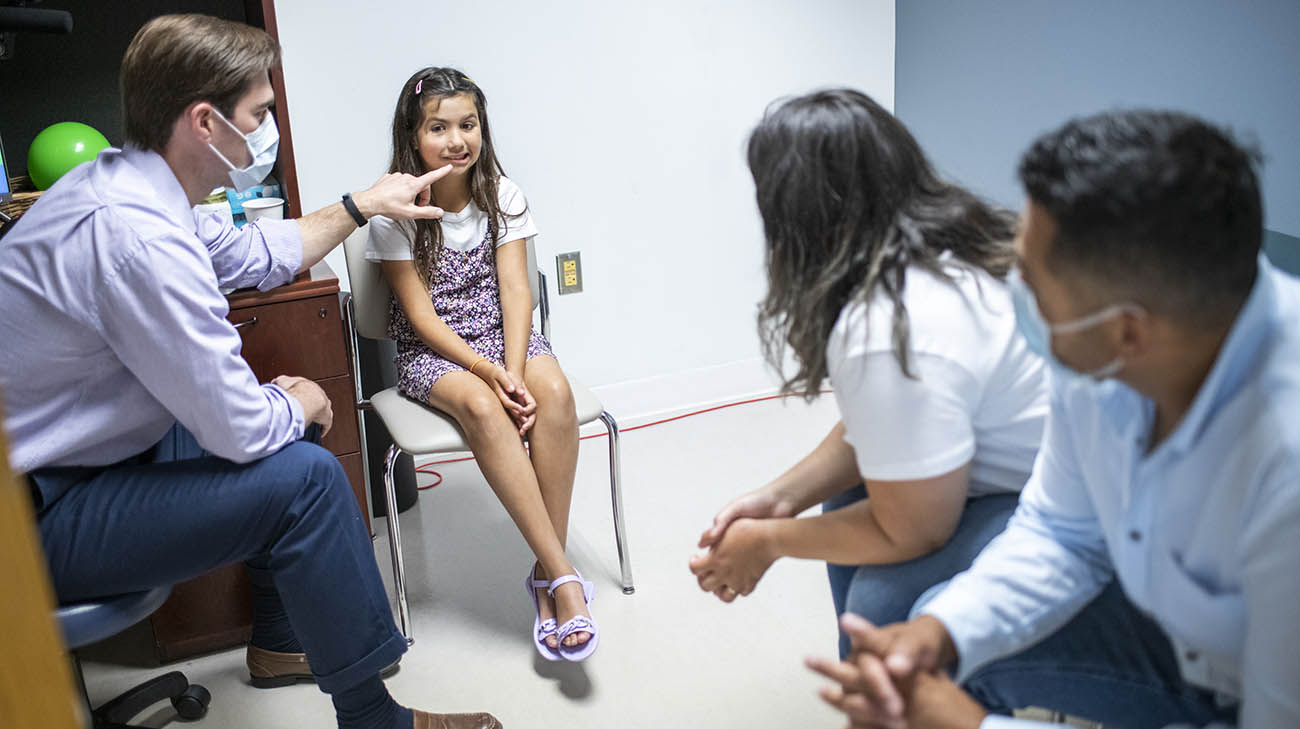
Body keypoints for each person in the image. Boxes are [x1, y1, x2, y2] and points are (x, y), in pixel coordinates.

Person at [0, 15, 501, 729]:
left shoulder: (128, 188)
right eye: (259, 113)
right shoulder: (139, 238)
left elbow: (258, 251)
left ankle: (281, 642)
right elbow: (239, 427)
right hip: (29, 520)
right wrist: (295, 402)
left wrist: (362, 204)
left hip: (65, 465)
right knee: (304, 473)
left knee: (275, 434)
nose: (269, 127)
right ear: (205, 123)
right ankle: (375, 720)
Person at [808, 110, 1300, 729]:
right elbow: (1061, 532)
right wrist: (944, 631)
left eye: (1032, 279)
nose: (1013, 288)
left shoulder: (1285, 466)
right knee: (924, 632)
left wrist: (976, 727)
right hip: (1183, 633)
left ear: (1127, 328)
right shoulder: (1097, 356)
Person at [686, 89, 1047, 657]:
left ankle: (886, 687)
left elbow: (916, 531)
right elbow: (883, 427)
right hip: (1024, 458)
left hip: (1053, 498)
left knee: (879, 607)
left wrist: (767, 542)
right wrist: (778, 499)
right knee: (847, 497)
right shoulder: (947, 248)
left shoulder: (888, 324)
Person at [365, 67, 597, 662]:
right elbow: (419, 318)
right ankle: (563, 577)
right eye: (438, 127)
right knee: (480, 403)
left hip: (505, 338)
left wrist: (513, 367)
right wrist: (491, 376)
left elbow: (518, 293)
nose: (455, 140)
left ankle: (547, 570)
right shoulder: (398, 210)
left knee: (559, 396)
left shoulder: (503, 193)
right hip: (437, 350)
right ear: (412, 135)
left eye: (467, 124)